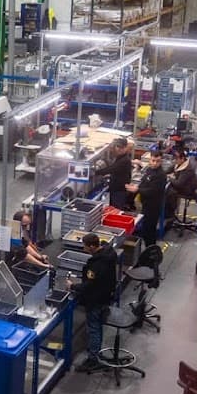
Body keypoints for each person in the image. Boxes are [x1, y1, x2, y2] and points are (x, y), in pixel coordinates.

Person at [68, 232, 119, 373]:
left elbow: (89, 285)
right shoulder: (109, 254)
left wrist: (72, 286)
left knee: (94, 328)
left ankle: (93, 359)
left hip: (96, 299)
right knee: (97, 326)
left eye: (85, 246)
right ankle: (96, 352)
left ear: (91, 246)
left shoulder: (97, 264)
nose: (83, 249)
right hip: (106, 296)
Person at [127, 150, 166, 246]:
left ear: (161, 162)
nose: (155, 163)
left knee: (149, 230)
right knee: (145, 228)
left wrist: (137, 190)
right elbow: (144, 182)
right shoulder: (149, 170)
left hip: (153, 206)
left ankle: (151, 250)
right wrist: (137, 186)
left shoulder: (160, 175)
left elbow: (152, 191)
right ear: (150, 160)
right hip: (145, 203)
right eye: (153, 160)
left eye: (158, 161)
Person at [105, 137, 133, 210]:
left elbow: (111, 169)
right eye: (118, 147)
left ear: (125, 147)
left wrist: (96, 172)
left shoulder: (124, 159)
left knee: (116, 210)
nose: (119, 149)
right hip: (117, 189)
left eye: (122, 147)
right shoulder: (121, 157)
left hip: (119, 190)